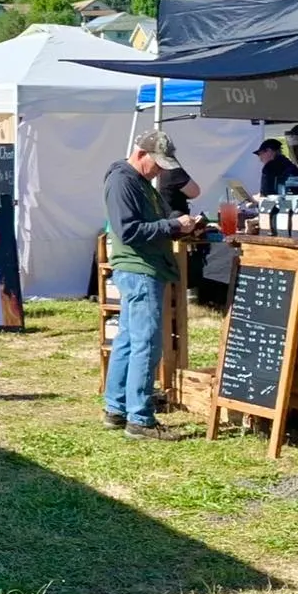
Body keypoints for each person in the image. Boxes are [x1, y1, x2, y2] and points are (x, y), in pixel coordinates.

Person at [102, 130, 204, 440]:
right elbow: (129, 230)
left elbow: (152, 218)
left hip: (141, 268)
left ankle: (116, 409)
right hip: (140, 268)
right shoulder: (123, 181)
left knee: (129, 340)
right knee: (146, 343)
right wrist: (174, 225)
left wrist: (181, 222)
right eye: (157, 164)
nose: (160, 170)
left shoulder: (139, 182)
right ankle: (140, 419)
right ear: (141, 154)